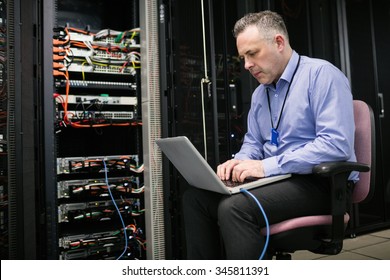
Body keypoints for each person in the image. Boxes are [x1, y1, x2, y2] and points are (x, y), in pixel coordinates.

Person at [182, 10, 357, 260]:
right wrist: (239, 163)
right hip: (280, 179)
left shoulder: (321, 75)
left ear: (278, 42)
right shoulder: (260, 94)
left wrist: (266, 167)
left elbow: (336, 145)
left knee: (234, 209)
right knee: (196, 199)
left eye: (252, 54)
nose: (246, 65)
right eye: (243, 57)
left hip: (323, 184)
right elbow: (253, 142)